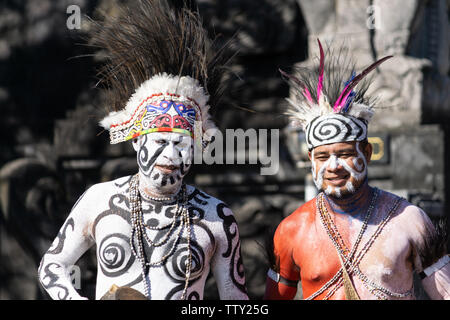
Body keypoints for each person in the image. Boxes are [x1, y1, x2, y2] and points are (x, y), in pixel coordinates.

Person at [38, 0, 248, 300]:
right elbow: (52, 264)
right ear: (137, 140)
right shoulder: (100, 199)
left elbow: (237, 300)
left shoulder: (216, 217)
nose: (171, 155)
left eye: (182, 144)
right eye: (161, 142)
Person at [264, 40, 450, 300]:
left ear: (367, 153)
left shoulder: (409, 220)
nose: (334, 166)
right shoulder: (291, 230)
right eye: (322, 156)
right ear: (311, 160)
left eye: (345, 154)